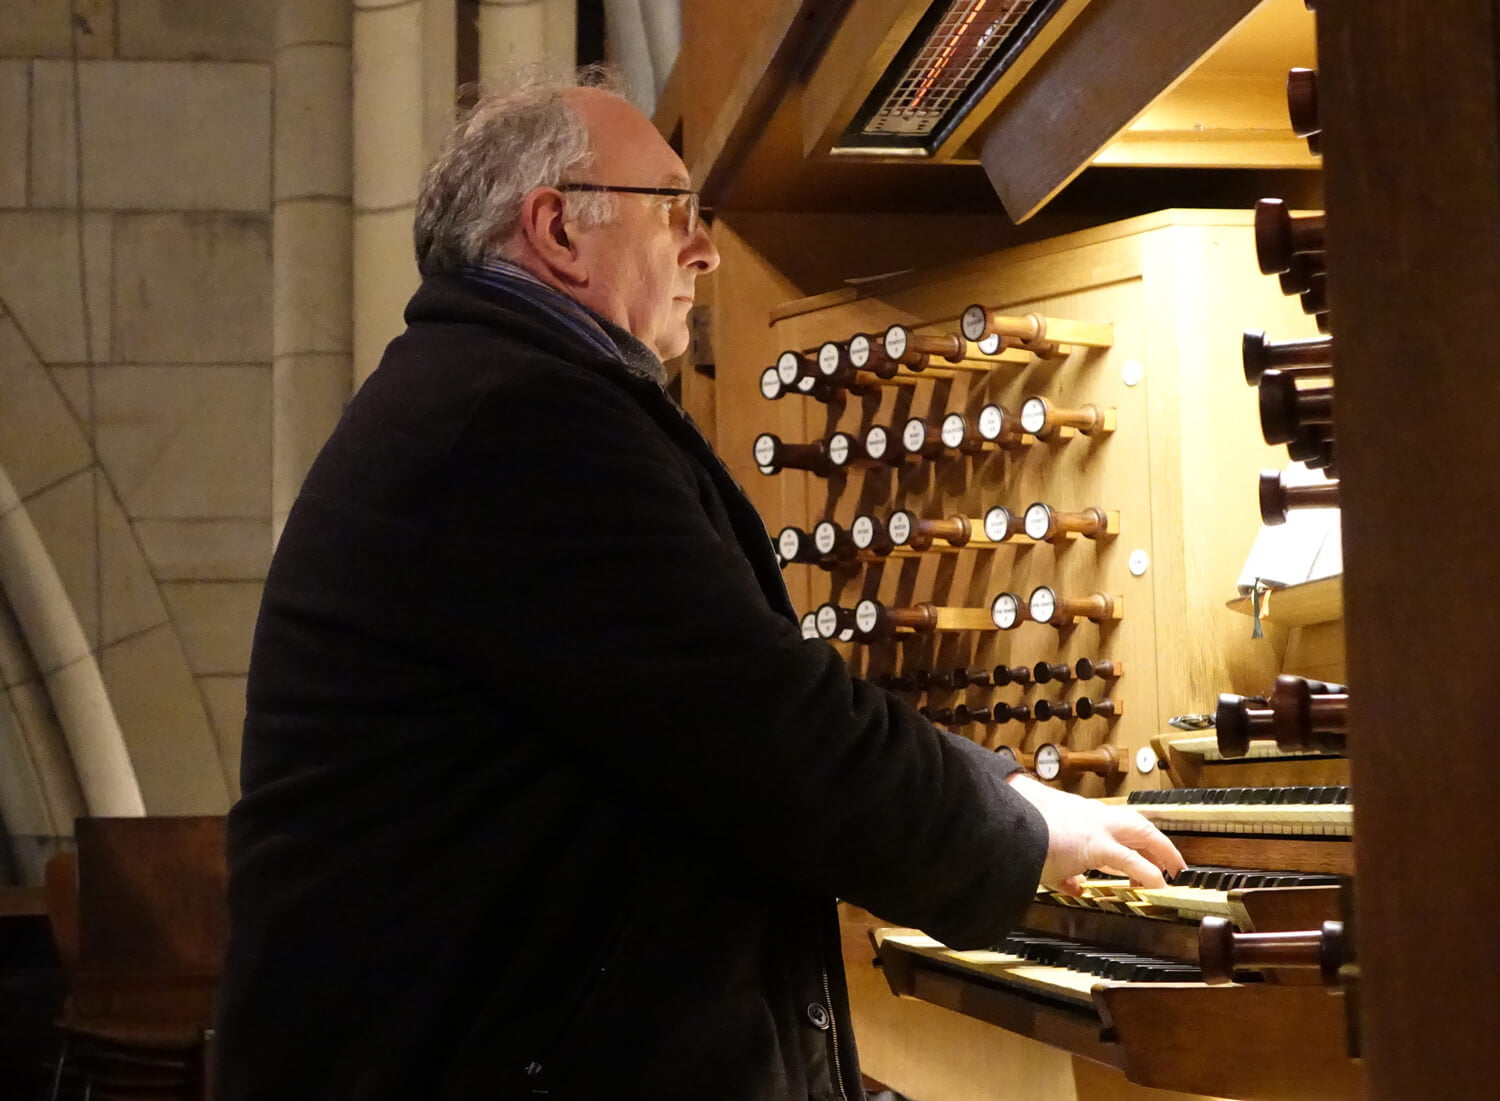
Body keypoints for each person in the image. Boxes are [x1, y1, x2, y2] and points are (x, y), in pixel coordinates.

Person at [215, 68, 1184, 1101]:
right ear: (556, 230)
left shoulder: (497, 397)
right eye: (673, 208)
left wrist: (997, 789)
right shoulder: (515, 427)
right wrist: (1019, 832)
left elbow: (735, 708)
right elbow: (764, 724)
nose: (707, 250)